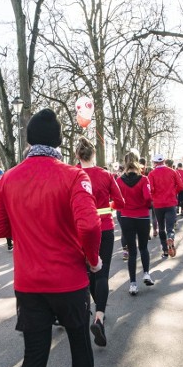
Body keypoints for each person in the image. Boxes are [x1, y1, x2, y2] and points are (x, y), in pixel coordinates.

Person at [0, 108, 102, 367]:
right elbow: (89, 223)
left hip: (29, 283)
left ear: (27, 142)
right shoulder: (73, 175)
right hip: (68, 280)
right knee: (79, 343)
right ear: (58, 143)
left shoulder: (9, 179)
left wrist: (26, 232)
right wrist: (93, 260)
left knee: (33, 358)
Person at [75, 137, 125, 347]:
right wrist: (106, 205)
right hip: (104, 228)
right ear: (94, 154)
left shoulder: (74, 175)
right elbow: (121, 202)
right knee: (102, 273)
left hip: (79, 230)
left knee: (87, 273)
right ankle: (99, 316)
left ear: (77, 155)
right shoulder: (105, 174)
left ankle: (92, 309)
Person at [116, 159, 154, 295]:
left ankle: (132, 284)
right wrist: (148, 205)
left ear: (126, 168)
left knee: (132, 251)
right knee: (143, 248)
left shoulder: (119, 181)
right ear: (138, 168)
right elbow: (147, 197)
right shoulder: (144, 179)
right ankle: (146, 274)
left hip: (126, 217)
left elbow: (117, 199)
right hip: (142, 217)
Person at [148, 154, 183, 258]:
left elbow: (151, 189)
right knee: (170, 227)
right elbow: (181, 186)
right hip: (170, 202)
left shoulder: (152, 174)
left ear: (154, 163)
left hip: (158, 204)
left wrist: (154, 197)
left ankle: (164, 250)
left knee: (161, 227)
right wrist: (173, 192)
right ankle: (171, 238)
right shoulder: (173, 171)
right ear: (164, 161)